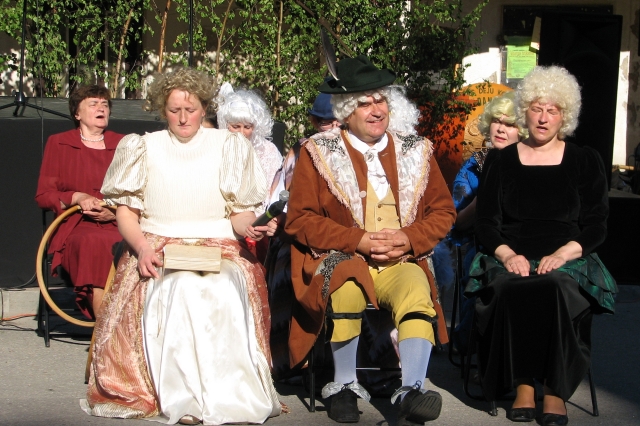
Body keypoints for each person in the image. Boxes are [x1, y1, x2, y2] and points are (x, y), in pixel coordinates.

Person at [82, 68, 281, 425]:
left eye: (191, 109)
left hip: (219, 246)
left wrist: (251, 226)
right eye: (175, 110)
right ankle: (183, 398)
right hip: (158, 244)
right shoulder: (142, 147)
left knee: (223, 286)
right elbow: (127, 214)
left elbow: (239, 215)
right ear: (164, 110)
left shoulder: (230, 146)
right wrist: (142, 248)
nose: (184, 117)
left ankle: (228, 396)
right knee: (179, 287)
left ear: (204, 108)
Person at [284, 55, 456, 424]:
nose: (377, 110)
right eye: (365, 103)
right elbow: (299, 220)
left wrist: (409, 238)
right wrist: (357, 240)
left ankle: (412, 390)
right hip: (341, 257)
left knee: (416, 289)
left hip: (399, 260)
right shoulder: (317, 152)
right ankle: (345, 386)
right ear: (346, 113)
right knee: (346, 285)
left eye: (381, 100)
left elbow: (443, 212)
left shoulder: (416, 150)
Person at [467, 66, 617, 426]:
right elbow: (486, 224)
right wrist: (507, 254)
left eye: (552, 110)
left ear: (565, 115)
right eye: (536, 109)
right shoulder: (501, 160)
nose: (543, 118)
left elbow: (597, 225)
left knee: (555, 286)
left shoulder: (584, 160)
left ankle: (553, 389)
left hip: (568, 258)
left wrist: (564, 253)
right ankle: (522, 385)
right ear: (525, 112)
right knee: (510, 286)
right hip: (510, 255)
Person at [266, 91, 340, 380]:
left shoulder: (357, 151)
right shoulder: (299, 151)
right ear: (313, 121)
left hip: (345, 240)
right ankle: (292, 362)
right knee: (286, 266)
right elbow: (277, 200)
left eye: (337, 121)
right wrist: (275, 220)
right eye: (324, 122)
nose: (331, 128)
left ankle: (351, 368)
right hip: (298, 237)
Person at [35, 85, 123, 319]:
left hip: (120, 221)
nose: (101, 108)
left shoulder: (124, 144)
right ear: (77, 113)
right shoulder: (59, 143)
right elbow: (44, 195)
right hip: (76, 224)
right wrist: (76, 197)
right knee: (92, 242)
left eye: (105, 104)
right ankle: (106, 326)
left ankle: (119, 324)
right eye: (93, 104)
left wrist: (115, 213)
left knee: (128, 242)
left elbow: (140, 192)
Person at [449, 91, 526, 353]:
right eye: (496, 121)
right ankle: (479, 350)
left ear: (522, 131)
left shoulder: (532, 164)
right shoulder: (473, 167)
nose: (501, 129)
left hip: (526, 243)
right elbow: (457, 222)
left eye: (510, 124)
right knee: (483, 273)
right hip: (481, 244)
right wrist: (485, 197)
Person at [216, 82, 282, 213]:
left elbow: (275, 193)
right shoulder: (217, 146)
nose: (241, 133)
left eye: (247, 127)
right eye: (236, 126)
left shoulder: (268, 150)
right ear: (226, 124)